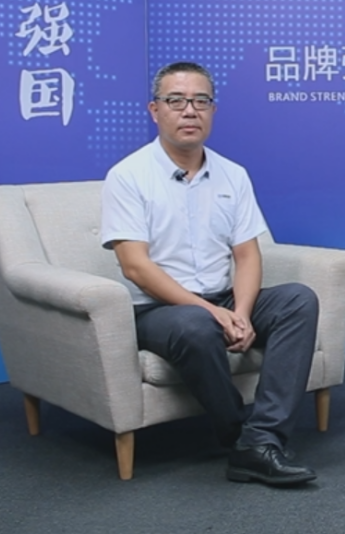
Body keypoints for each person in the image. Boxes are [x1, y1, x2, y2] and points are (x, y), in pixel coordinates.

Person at [100, 61, 321, 486]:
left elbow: (247, 255)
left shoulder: (232, 174)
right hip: (159, 309)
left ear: (213, 111)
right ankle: (240, 436)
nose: (190, 111)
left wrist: (241, 312)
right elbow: (135, 267)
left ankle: (262, 438)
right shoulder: (128, 177)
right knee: (195, 324)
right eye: (176, 101)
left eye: (201, 101)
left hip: (222, 297)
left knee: (298, 300)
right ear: (154, 110)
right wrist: (211, 312)